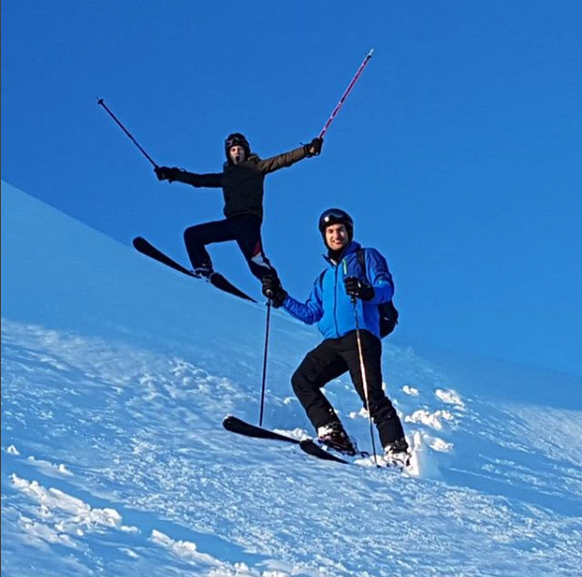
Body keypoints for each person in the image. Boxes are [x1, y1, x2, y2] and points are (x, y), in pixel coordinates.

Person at [261, 208, 409, 465]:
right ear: (324, 237)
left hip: (361, 336)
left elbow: (386, 287)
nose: (336, 235)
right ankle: (334, 433)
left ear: (349, 232)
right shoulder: (324, 278)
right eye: (330, 231)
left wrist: (366, 291)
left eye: (340, 230)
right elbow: (310, 313)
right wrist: (280, 297)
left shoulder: (366, 257)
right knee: (302, 379)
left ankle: (396, 449)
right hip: (333, 341)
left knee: (370, 393)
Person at [154, 133, 323, 281]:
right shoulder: (226, 176)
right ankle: (203, 269)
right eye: (233, 150)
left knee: (257, 263)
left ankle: (274, 290)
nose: (237, 152)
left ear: (246, 151)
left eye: (240, 149)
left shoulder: (256, 167)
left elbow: (283, 159)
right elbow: (199, 180)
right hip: (231, 223)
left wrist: (307, 150)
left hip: (248, 223)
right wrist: (173, 174)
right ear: (228, 154)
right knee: (192, 235)